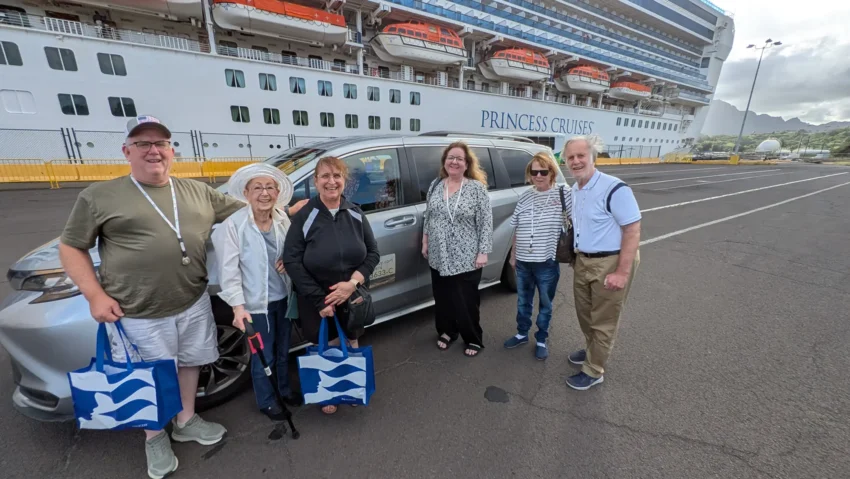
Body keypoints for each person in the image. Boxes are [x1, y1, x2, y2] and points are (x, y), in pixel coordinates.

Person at [58, 115, 246, 479]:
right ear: (126, 151)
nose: (153, 151)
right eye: (142, 144)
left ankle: (186, 419)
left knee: (191, 362)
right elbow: (71, 248)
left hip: (192, 300)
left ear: (172, 151)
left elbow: (250, 212)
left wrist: (294, 211)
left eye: (161, 143)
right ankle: (154, 434)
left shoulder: (198, 191)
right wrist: (94, 294)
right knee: (147, 375)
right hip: (137, 311)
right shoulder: (99, 196)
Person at [282, 156, 380, 415]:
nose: (331, 181)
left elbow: (372, 254)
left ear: (344, 181)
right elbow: (292, 260)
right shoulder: (305, 215)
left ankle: (350, 385)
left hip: (352, 294)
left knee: (352, 338)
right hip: (317, 298)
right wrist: (320, 300)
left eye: (337, 176)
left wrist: (351, 283)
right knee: (329, 342)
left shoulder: (355, 213)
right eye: (324, 176)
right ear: (315, 181)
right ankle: (330, 391)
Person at [213, 163, 304, 422]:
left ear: (277, 192)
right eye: (258, 188)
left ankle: (284, 390)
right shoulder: (233, 226)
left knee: (283, 349)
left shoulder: (281, 218)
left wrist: (288, 259)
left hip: (283, 299)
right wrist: (237, 308)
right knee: (262, 355)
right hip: (255, 305)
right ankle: (266, 400)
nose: (264, 193)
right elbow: (228, 271)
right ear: (247, 192)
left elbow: (292, 249)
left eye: (269, 187)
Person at [563, 135, 641, 391]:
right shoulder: (575, 190)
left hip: (611, 261)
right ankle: (592, 349)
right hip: (584, 261)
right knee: (585, 314)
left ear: (593, 157)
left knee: (603, 319)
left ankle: (594, 369)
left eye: (580, 156)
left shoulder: (614, 188)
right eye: (570, 157)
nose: (575, 161)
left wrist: (622, 272)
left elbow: (632, 230)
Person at [421, 141, 493, 358]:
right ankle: (447, 331)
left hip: (466, 255)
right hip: (438, 253)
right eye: (450, 157)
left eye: (459, 158)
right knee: (442, 297)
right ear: (445, 162)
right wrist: (425, 241)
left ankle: (472, 338)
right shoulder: (436, 184)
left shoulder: (476, 189)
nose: (454, 161)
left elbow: (485, 223)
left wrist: (483, 252)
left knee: (465, 301)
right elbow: (428, 216)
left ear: (466, 163)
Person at [503, 152, 569, 361]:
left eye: (543, 171)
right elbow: (517, 228)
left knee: (546, 304)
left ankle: (541, 338)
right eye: (534, 172)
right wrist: (513, 255)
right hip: (523, 260)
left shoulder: (563, 193)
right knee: (523, 301)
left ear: (552, 172)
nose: (539, 175)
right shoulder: (525, 196)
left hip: (547, 261)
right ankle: (522, 333)